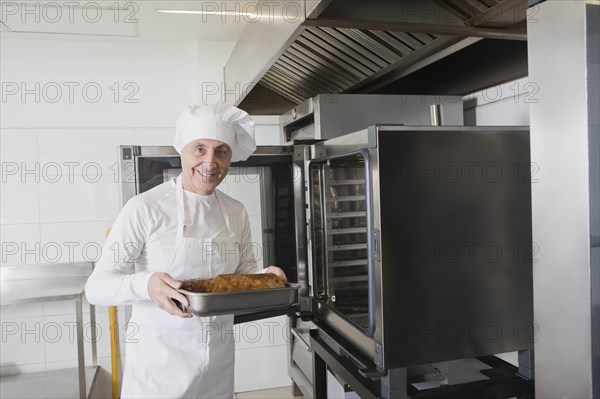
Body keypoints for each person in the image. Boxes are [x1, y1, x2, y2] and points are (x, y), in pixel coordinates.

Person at [85, 103, 287, 398]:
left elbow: (242, 276)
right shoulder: (145, 208)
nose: (210, 161)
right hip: (159, 373)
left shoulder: (235, 211)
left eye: (221, 151)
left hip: (217, 368)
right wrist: (146, 284)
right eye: (200, 149)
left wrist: (264, 278)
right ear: (182, 151)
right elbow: (96, 287)